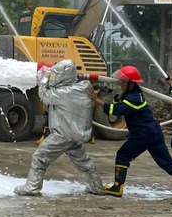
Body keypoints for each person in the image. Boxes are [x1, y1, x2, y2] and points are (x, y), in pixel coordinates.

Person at [89, 65, 172, 202]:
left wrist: (96, 100)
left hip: (142, 134)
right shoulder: (134, 93)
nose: (120, 83)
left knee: (122, 155)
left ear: (131, 83)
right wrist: (120, 93)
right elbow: (119, 100)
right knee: (166, 163)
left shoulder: (133, 98)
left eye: (122, 81)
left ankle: (117, 187)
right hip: (153, 132)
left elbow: (115, 110)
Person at [14, 59, 105, 196]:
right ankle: (97, 186)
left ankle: (32, 187)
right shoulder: (84, 88)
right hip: (74, 134)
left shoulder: (64, 93)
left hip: (62, 134)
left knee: (39, 157)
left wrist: (44, 79)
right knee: (83, 161)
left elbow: (44, 95)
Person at [34, 62, 53, 145]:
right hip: (52, 99)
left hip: (53, 100)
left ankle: (46, 137)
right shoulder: (52, 75)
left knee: (50, 118)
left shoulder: (53, 76)